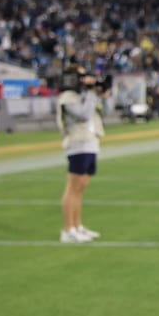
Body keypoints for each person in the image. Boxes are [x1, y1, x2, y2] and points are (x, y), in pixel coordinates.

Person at [56, 66, 107, 243]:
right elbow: (83, 114)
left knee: (81, 188)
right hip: (78, 144)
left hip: (90, 142)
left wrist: (99, 93)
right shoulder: (67, 98)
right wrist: (92, 93)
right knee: (72, 188)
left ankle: (77, 226)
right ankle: (67, 229)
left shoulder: (82, 96)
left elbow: (100, 111)